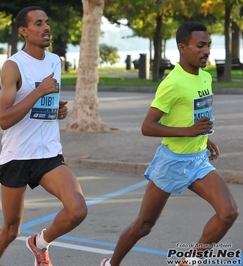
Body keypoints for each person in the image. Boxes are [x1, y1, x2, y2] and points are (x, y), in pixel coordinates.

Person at [100, 22, 239, 266]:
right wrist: (188, 132)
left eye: (208, 45)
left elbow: (194, 117)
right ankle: (111, 264)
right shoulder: (172, 83)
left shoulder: (205, 77)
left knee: (229, 213)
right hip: (172, 161)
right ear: (182, 48)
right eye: (200, 45)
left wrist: (205, 138)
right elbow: (148, 126)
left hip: (198, 161)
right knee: (144, 225)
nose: (206, 50)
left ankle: (191, 260)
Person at [0, 6, 88, 266]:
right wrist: (39, 92)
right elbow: (4, 119)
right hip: (17, 156)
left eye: (47, 23)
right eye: (38, 24)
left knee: (77, 210)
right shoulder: (13, 66)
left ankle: (39, 243)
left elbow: (43, 107)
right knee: (9, 231)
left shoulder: (55, 61)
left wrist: (57, 109)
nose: (46, 28)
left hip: (48, 154)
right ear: (24, 31)